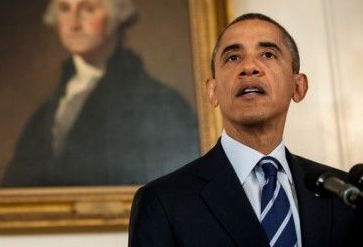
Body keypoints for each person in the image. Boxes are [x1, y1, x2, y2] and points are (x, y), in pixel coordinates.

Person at [129, 13, 362, 246]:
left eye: (268, 54)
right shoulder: (162, 201)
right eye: (232, 58)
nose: (249, 67)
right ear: (212, 91)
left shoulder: (343, 193)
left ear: (298, 86)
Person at [0, 0, 198, 187]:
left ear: (115, 16)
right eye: (65, 9)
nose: (74, 23)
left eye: (88, 9)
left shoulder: (160, 104)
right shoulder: (45, 114)